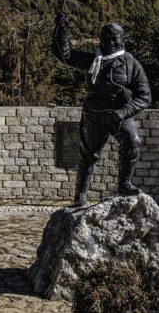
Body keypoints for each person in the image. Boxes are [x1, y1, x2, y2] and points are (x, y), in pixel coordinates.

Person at [51, 11, 151, 206]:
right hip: (93, 116)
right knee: (88, 156)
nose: (110, 43)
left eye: (115, 39)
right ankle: (80, 196)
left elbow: (144, 96)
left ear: (122, 40)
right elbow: (64, 55)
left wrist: (123, 113)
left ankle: (125, 184)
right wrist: (61, 29)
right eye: (106, 39)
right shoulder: (93, 60)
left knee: (132, 142)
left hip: (120, 115)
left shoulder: (131, 63)